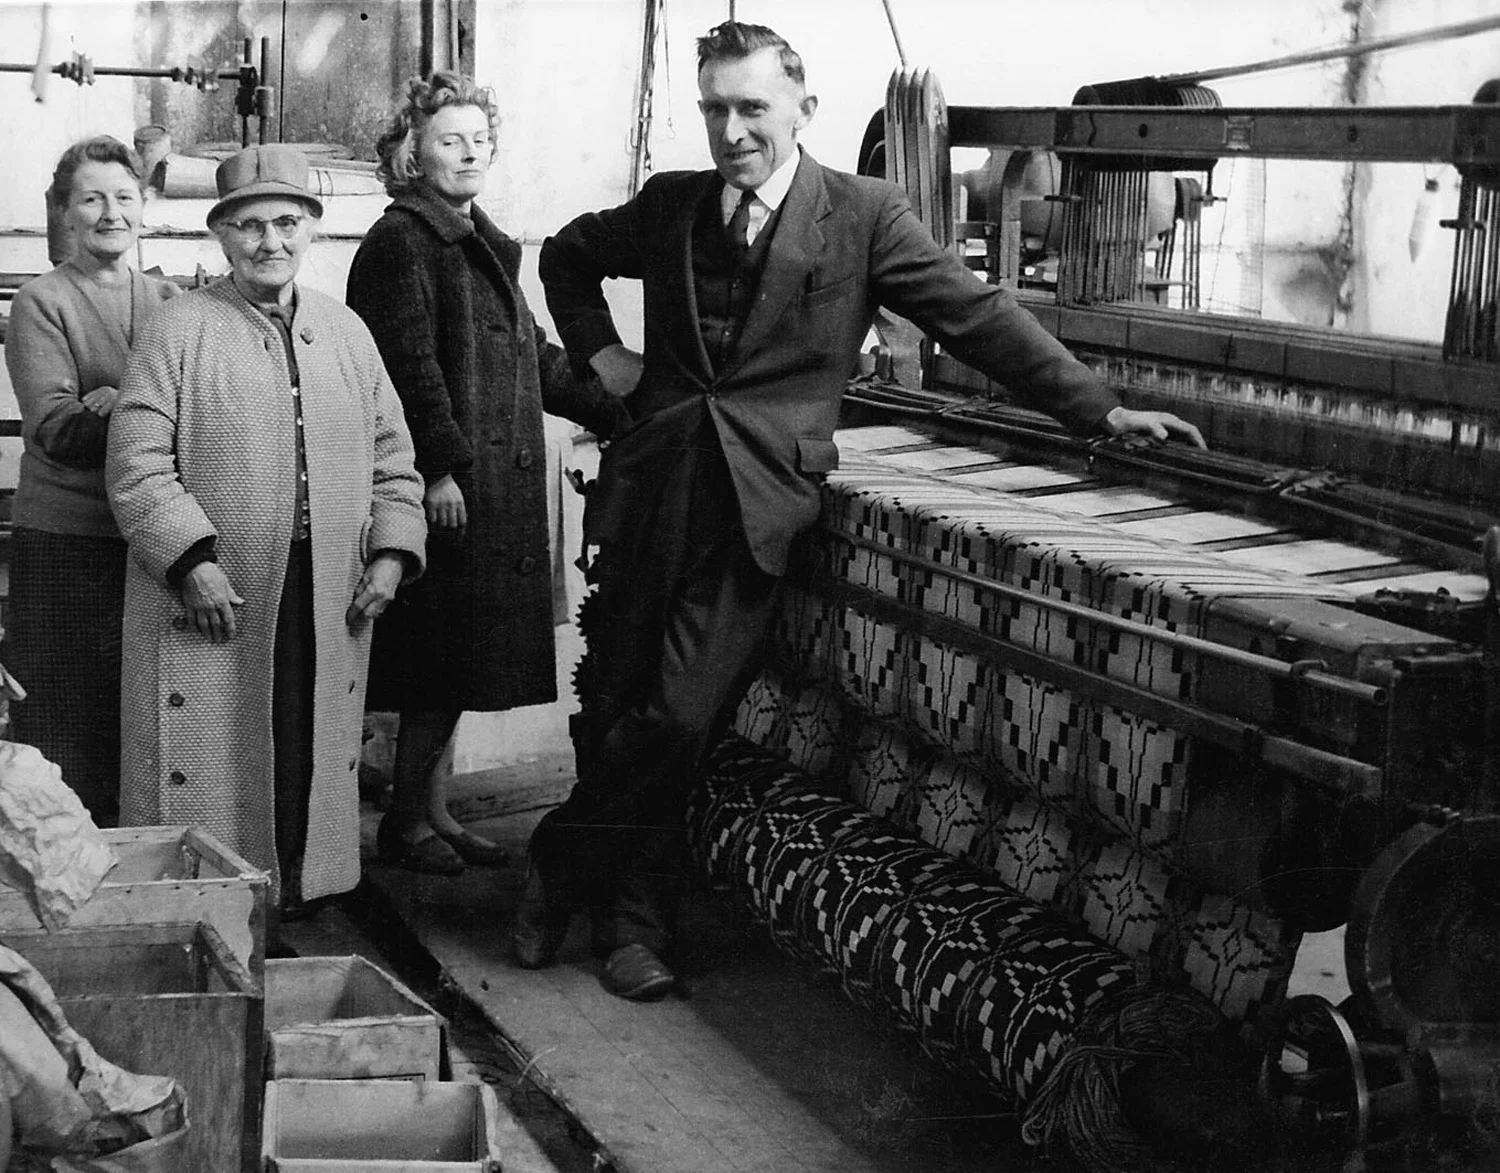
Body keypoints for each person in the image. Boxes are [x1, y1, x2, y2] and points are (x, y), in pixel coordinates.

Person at [527, 20, 1207, 1000]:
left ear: (803, 107)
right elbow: (566, 258)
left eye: (751, 108)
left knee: (675, 720)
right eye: (715, 108)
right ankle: (628, 926)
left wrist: (1100, 408)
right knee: (621, 705)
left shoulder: (863, 213)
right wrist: (604, 358)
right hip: (654, 482)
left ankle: (558, 867)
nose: (730, 131)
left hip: (761, 502)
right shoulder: (671, 207)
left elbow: (973, 316)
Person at [105, 143, 427, 921]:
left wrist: (390, 550)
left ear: (311, 229)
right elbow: (137, 461)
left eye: (286, 222)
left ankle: (298, 897)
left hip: (326, 590)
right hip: (221, 586)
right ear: (222, 236)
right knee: (221, 750)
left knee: (303, 744)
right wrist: (191, 560)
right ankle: (214, 909)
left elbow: (394, 456)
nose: (269, 242)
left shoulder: (346, 332)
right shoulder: (179, 329)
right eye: (249, 226)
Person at [346, 72, 630, 875]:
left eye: (480, 139)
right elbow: (403, 366)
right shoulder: (400, 242)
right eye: (448, 140)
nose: (469, 153)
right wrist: (436, 469)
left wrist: (618, 411)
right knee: (439, 659)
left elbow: (536, 359)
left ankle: (430, 810)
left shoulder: (478, 241)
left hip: (489, 493)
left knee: (459, 660)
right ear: (412, 153)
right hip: (450, 492)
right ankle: (407, 820)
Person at [2, 135, 179, 825]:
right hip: (65, 545)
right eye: (92, 199)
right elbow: (58, 431)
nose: (111, 212)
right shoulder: (42, 303)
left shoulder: (168, 298)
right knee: (61, 734)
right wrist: (143, 403)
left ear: (146, 206)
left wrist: (112, 396)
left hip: (144, 543)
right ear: (65, 213)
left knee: (138, 726)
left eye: (125, 197)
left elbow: (197, 413)